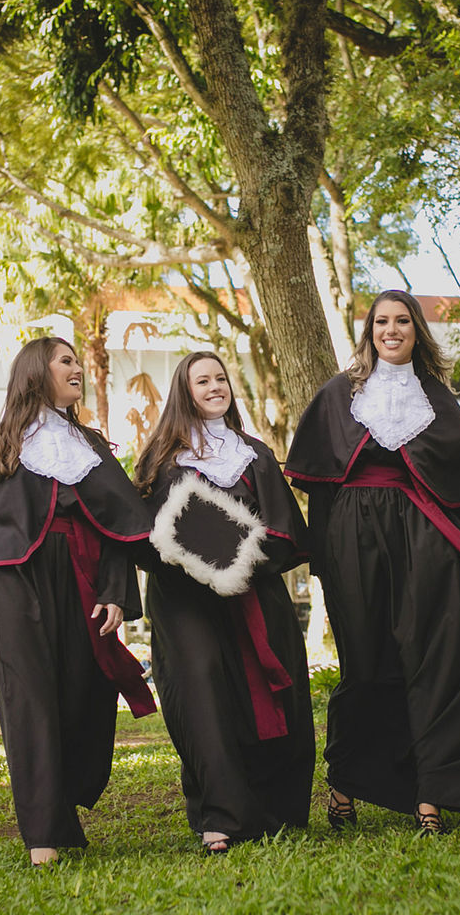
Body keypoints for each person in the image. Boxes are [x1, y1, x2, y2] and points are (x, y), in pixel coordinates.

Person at [285, 290, 460, 836]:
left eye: (402, 321)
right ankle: (346, 782)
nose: (391, 330)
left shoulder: (437, 397)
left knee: (430, 653)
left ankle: (431, 794)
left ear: (416, 331)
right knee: (364, 661)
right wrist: (324, 557)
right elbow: (322, 486)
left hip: (423, 535)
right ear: (370, 331)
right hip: (354, 534)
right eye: (382, 321)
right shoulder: (338, 393)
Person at [0, 336, 155, 866]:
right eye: (66, 361)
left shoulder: (94, 449)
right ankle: (43, 838)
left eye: (78, 361)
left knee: (83, 694)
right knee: (28, 700)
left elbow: (119, 527)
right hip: (12, 582)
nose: (78, 369)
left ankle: (62, 807)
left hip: (83, 580)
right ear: (36, 372)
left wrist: (117, 592)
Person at [134, 351, 314, 855]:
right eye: (202, 381)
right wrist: (192, 556)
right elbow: (141, 535)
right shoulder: (159, 460)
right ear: (183, 391)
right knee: (202, 699)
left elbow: (283, 533)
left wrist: (236, 560)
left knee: (270, 697)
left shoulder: (254, 454)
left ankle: (275, 806)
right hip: (184, 603)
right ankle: (220, 815)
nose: (215, 387)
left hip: (254, 596)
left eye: (220, 378)